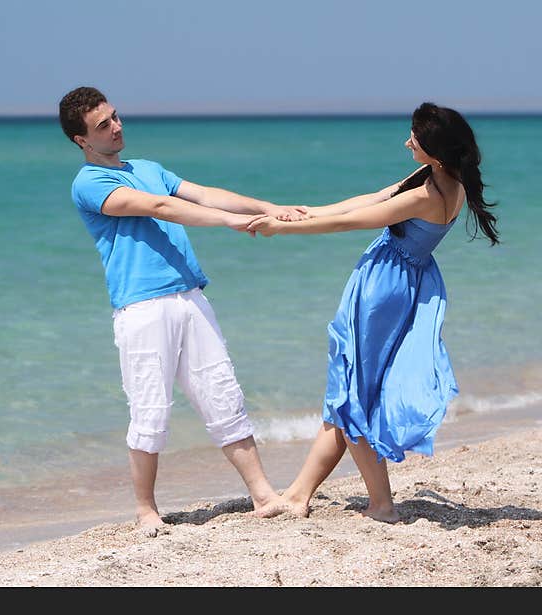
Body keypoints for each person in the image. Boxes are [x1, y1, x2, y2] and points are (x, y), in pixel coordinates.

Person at [59, 86, 304, 535]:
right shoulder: (89, 183)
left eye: (115, 117)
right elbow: (160, 207)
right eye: (103, 126)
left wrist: (269, 207)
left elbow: (205, 195)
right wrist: (232, 224)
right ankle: (146, 509)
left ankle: (264, 495)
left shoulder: (147, 168)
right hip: (142, 307)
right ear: (82, 140)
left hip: (190, 297)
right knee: (150, 410)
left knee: (223, 394)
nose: (116, 128)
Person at [247, 102, 500, 522]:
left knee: (353, 393)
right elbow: (371, 199)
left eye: (414, 139)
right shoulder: (442, 177)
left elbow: (355, 222)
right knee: (346, 392)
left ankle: (382, 504)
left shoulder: (426, 194)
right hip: (402, 282)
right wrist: (307, 210)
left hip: (384, 289)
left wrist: (283, 229)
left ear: (435, 151)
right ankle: (298, 493)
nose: (407, 142)